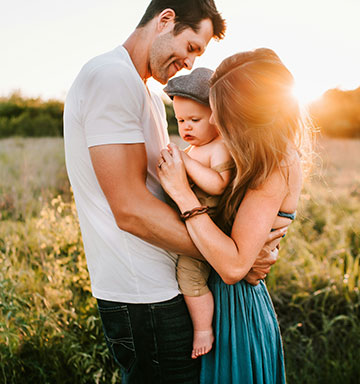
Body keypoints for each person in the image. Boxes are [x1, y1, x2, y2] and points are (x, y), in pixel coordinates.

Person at [63, 0, 285, 381]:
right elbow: (130, 209)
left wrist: (238, 249)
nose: (190, 63)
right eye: (191, 48)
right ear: (166, 20)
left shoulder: (147, 92)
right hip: (144, 295)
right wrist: (233, 257)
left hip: (167, 286)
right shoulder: (110, 78)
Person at [158, 48, 311, 383]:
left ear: (251, 114)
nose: (213, 120)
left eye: (222, 111)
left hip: (236, 309)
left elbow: (233, 266)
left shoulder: (276, 163)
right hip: (218, 299)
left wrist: (183, 195)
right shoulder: (248, 153)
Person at [163, 67, 234, 359]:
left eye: (194, 120)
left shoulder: (219, 147)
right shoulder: (195, 148)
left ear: (216, 118)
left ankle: (203, 328)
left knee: (189, 277)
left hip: (208, 231)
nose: (186, 128)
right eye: (180, 120)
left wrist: (185, 162)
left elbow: (218, 185)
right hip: (190, 225)